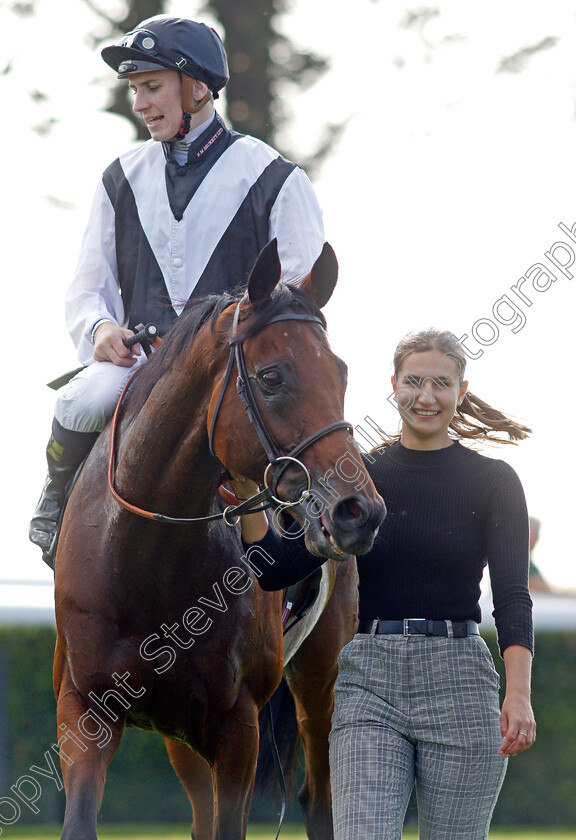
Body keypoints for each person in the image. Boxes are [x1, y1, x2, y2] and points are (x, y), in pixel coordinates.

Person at [29, 15, 324, 565]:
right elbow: (87, 289)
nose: (140, 103)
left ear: (198, 87)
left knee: (290, 426)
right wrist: (100, 331)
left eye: (152, 86)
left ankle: (310, 527)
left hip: (235, 371)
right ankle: (56, 507)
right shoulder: (119, 177)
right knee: (82, 397)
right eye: (135, 89)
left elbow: (296, 295)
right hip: (142, 366)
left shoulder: (275, 176)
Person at [231, 328, 536, 840]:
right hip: (369, 684)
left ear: (461, 391)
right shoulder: (356, 479)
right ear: (393, 385)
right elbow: (274, 569)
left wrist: (520, 693)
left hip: (461, 681)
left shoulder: (494, 480)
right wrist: (248, 497)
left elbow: (511, 597)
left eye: (441, 383)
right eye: (414, 381)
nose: (426, 396)